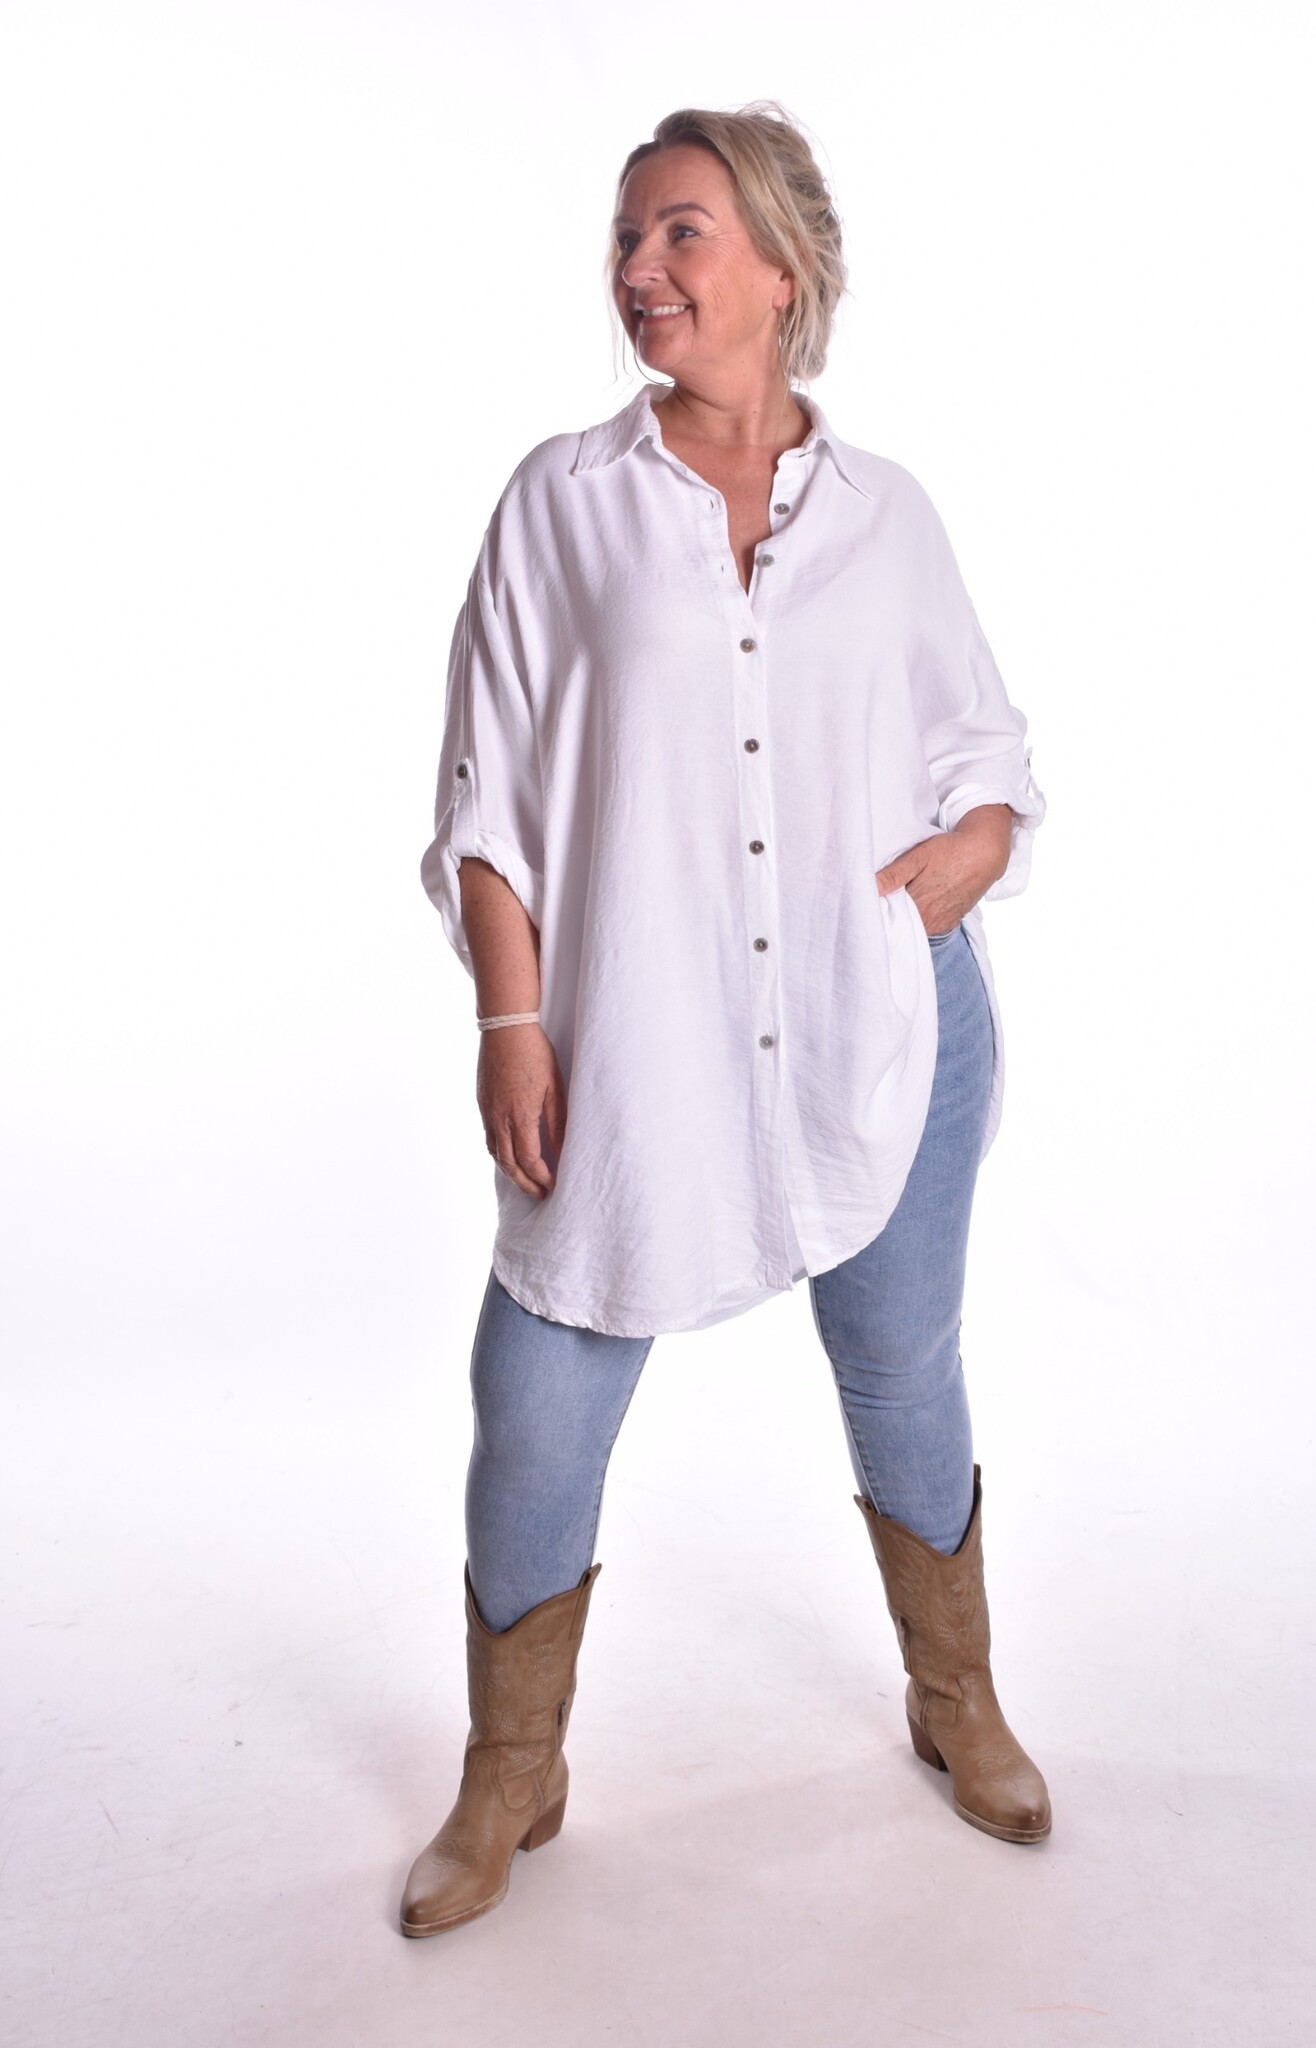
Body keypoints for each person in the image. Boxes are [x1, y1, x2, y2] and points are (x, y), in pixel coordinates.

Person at [402, 102, 1051, 1939]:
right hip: (639, 1039)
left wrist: (954, 867)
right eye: (625, 238)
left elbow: (987, 755)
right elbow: (488, 795)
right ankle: (511, 1771)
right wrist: (512, 1020)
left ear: (781, 265)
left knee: (903, 1369)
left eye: (679, 231)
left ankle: (958, 1697)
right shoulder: (564, 502)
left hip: (886, 1032)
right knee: (538, 1394)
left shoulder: (889, 516)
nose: (638, 269)